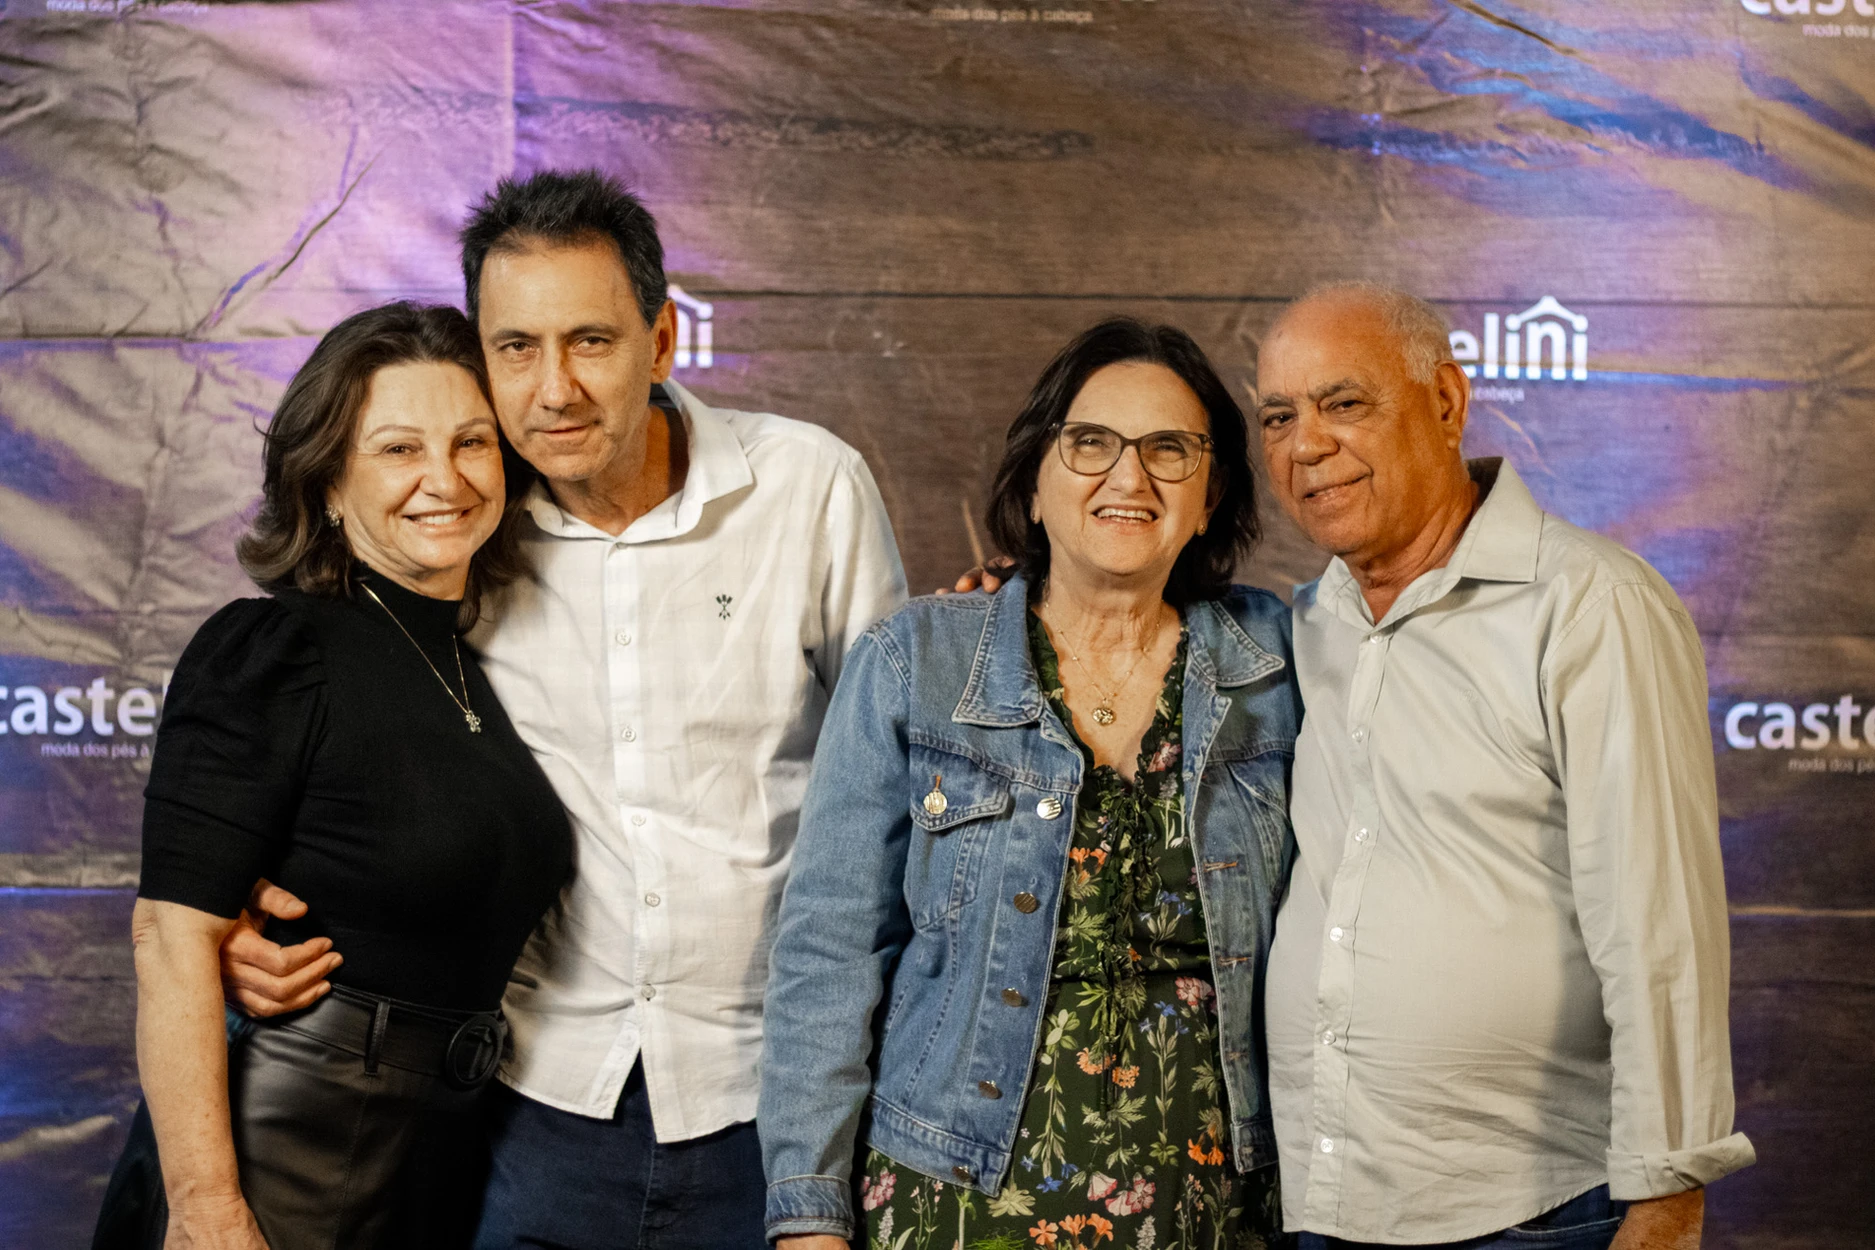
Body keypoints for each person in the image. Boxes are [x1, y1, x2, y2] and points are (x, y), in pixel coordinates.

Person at [216, 170, 908, 1249]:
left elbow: (896, 789)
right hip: (528, 1105)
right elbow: (341, 754)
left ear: (661, 341)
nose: (555, 389)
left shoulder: (809, 489)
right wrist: (245, 916)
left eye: (590, 340)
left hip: (776, 1100)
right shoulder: (456, 524)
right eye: (516, 347)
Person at [760, 318, 1304, 1250]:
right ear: (1035, 484)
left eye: (1169, 450)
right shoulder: (915, 663)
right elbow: (828, 952)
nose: (1129, 478)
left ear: (1209, 497)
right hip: (954, 1197)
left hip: (1212, 1210)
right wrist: (808, 1216)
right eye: (1091, 443)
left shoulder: (1280, 664)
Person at [1252, 282, 1754, 1249]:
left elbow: (1659, 928)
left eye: (1342, 402)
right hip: (1323, 1205)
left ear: (1445, 402)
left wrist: (1667, 1195)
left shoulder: (1589, 605)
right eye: (1277, 417)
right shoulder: (1300, 628)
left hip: (1533, 1217)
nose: (1305, 444)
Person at [104, 302, 574, 1250]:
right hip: (287, 1151)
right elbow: (170, 934)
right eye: (399, 449)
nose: (445, 479)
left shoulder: (476, 664)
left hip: (444, 1161)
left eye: (471, 442)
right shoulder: (275, 648)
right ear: (325, 481)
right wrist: (206, 1210)